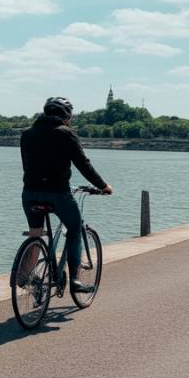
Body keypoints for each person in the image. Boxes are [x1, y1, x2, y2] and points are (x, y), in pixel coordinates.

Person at [20, 96, 113, 295]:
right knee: (75, 230)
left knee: (35, 232)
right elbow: (83, 164)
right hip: (57, 194)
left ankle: (24, 275)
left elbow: (28, 164)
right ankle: (75, 280)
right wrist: (103, 186)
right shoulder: (66, 133)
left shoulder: (27, 133)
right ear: (67, 116)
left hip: (29, 193)